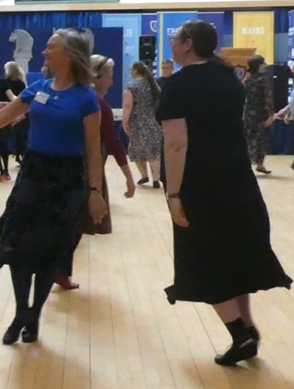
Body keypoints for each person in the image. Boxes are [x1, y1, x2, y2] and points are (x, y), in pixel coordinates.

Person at [0, 29, 107, 345]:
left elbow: (94, 150)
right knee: (20, 247)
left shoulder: (85, 98)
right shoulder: (38, 89)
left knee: (48, 251)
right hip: (33, 173)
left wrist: (95, 193)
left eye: (50, 47)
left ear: (68, 55)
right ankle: (21, 312)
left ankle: (34, 315)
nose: (44, 52)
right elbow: (0, 118)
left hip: (66, 180)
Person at [159, 19, 292, 366]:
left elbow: (176, 144)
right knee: (234, 256)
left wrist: (173, 194)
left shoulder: (178, 86)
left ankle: (239, 334)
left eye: (175, 39)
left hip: (200, 184)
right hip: (237, 178)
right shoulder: (228, 80)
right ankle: (247, 326)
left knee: (202, 259)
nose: (171, 44)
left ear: (188, 44)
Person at [53, 54, 137, 290]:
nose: (111, 82)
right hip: (86, 171)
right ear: (97, 77)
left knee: (71, 220)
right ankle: (58, 270)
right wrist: (128, 178)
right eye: (109, 77)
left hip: (63, 166)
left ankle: (58, 270)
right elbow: (113, 143)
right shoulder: (98, 105)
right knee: (80, 220)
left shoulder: (72, 97)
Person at [123, 61, 163, 188]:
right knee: (153, 150)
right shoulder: (153, 85)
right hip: (151, 120)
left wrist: (125, 121)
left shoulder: (131, 86)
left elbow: (128, 105)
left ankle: (144, 175)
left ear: (135, 71)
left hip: (136, 121)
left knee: (136, 149)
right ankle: (156, 178)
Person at [243, 55, 274, 175]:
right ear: (259, 65)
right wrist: (270, 115)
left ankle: (251, 163)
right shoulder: (264, 80)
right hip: (261, 114)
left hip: (248, 113)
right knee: (262, 139)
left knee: (249, 139)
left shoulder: (247, 79)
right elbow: (268, 98)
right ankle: (259, 163)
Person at [5, 61, 29, 164]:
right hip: (20, 109)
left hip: (9, 109)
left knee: (15, 134)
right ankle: (20, 155)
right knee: (21, 135)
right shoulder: (21, 83)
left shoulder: (5, 83)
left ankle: (18, 154)